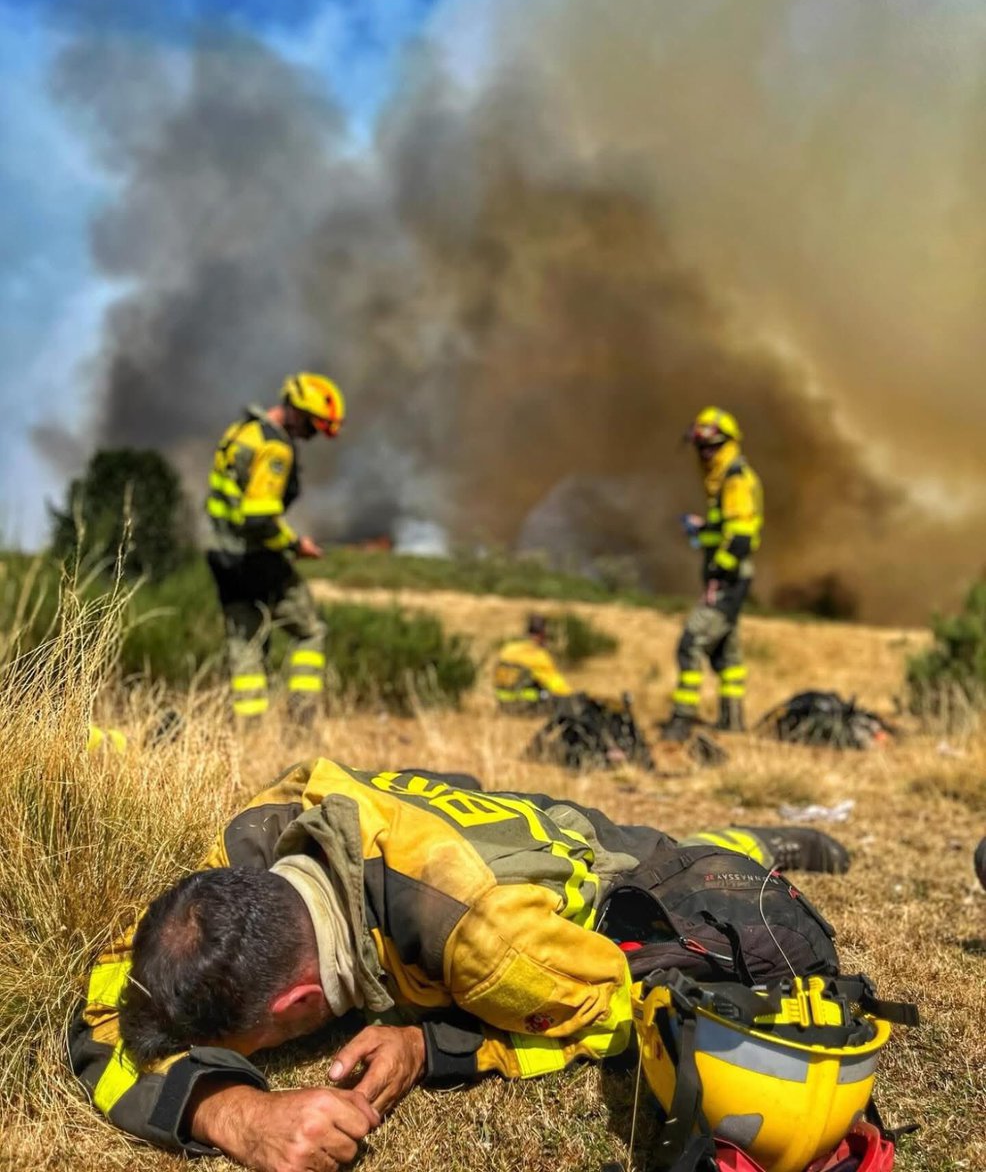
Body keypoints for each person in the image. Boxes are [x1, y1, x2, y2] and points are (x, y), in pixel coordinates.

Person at [70, 760, 851, 1172]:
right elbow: (109, 1013)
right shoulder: (249, 849)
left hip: (606, 865)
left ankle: (761, 840)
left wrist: (431, 1045)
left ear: (297, 1005)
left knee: (688, 861)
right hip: (462, 834)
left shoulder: (489, 946)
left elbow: (618, 1016)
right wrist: (230, 1112)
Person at [205, 373, 345, 724]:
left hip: (222, 556)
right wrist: (297, 544)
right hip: (256, 556)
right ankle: (301, 721)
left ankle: (248, 731)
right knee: (310, 631)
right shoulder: (275, 447)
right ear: (295, 411)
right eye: (312, 427)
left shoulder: (241, 432)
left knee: (245, 643)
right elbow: (259, 517)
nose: (310, 436)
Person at [663, 407, 763, 740]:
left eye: (711, 447)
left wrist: (719, 573)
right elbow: (728, 530)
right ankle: (732, 721)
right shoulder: (724, 479)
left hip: (728, 581)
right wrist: (703, 529)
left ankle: (682, 721)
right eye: (700, 448)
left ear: (728, 444)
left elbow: (741, 537)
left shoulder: (734, 478)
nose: (705, 454)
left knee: (691, 642)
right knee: (726, 654)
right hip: (730, 578)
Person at [493, 614, 572, 711]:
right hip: (525, 706)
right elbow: (557, 686)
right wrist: (573, 698)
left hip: (504, 705)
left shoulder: (507, 649)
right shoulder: (537, 655)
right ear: (542, 634)